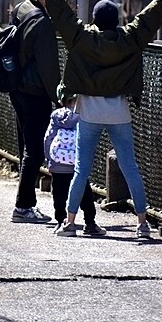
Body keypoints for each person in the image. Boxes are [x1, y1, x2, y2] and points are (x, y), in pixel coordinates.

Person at [29, 0, 162, 238]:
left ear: (94, 19)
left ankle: (70, 223)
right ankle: (142, 224)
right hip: (120, 113)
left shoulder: (82, 38)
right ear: (116, 19)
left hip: (89, 113)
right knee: (130, 167)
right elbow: (150, 17)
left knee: (81, 170)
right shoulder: (130, 39)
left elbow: (62, 14)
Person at [8, 0, 64, 223]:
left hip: (17, 87)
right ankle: (22, 206)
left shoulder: (22, 9)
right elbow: (49, 68)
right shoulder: (43, 24)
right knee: (35, 150)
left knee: (25, 147)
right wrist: (61, 96)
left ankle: (27, 203)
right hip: (35, 92)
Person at [44, 85, 106, 236]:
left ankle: (60, 221)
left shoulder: (56, 116)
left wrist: (49, 160)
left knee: (59, 194)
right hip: (77, 165)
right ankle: (90, 223)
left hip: (58, 165)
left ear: (60, 99)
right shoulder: (84, 116)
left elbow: (48, 138)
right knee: (85, 195)